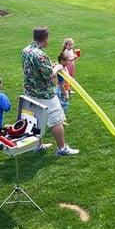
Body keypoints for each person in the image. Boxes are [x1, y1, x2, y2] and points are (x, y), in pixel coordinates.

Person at [22, 27, 79, 156]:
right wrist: (58, 67)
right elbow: (49, 75)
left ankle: (37, 145)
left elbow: (36, 69)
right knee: (56, 120)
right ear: (45, 39)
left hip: (30, 91)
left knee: (35, 119)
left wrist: (50, 66)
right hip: (44, 93)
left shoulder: (25, 50)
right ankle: (62, 149)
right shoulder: (40, 55)